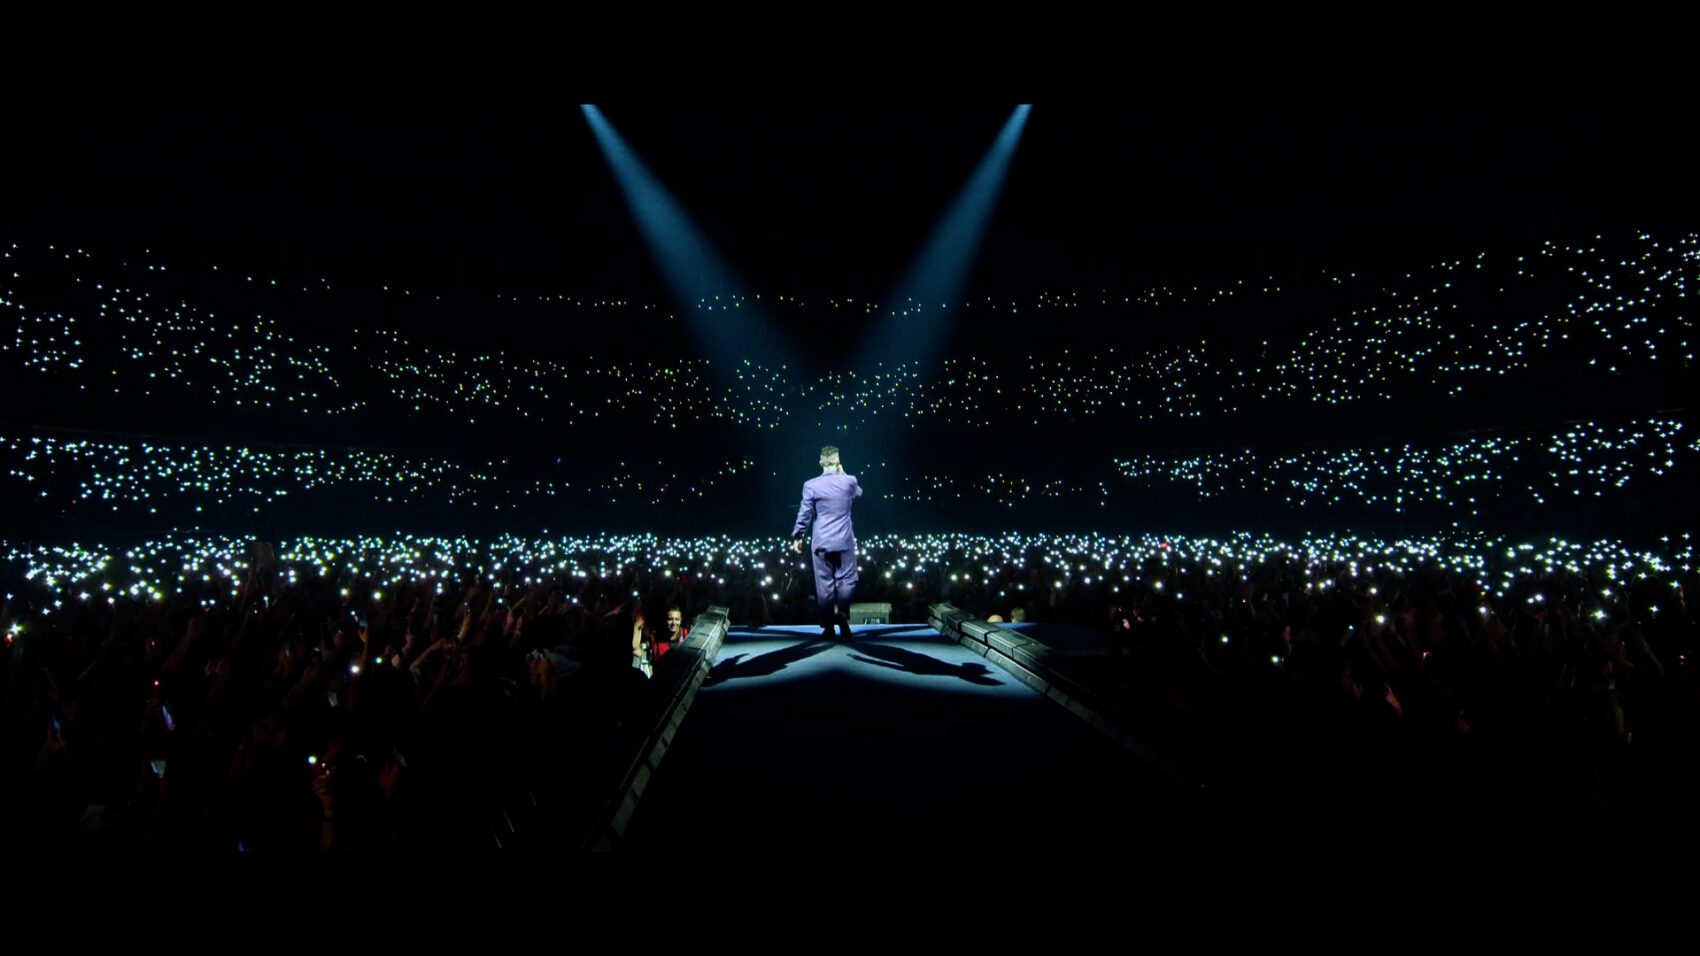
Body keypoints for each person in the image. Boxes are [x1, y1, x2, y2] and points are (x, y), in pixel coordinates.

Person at [791, 445, 862, 640]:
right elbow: (858, 493)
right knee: (847, 580)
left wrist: (798, 536)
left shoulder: (811, 485)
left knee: (824, 585)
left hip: (821, 541)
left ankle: (829, 627)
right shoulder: (850, 481)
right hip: (844, 541)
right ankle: (842, 615)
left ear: (820, 462)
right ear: (838, 462)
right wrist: (843, 473)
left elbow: (805, 513)